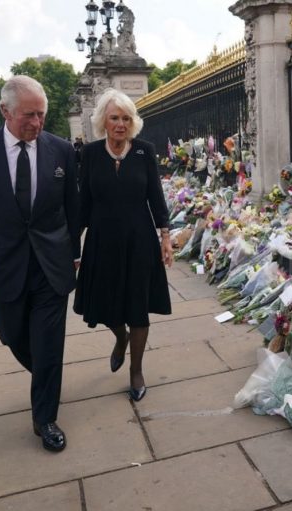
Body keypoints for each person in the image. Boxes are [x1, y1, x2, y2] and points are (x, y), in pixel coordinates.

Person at [0, 75, 81, 452]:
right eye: (29, 115)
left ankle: (45, 418)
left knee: (48, 344)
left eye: (41, 115)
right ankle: (45, 375)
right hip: (4, 263)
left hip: (52, 263)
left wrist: (74, 252)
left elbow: (73, 209)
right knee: (10, 332)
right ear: (4, 110)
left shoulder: (60, 150)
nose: (37, 123)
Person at [73, 88, 172, 402]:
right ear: (103, 120)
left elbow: (155, 196)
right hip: (102, 241)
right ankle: (120, 338)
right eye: (114, 117)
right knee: (106, 305)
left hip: (139, 240)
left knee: (138, 306)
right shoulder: (89, 153)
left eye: (126, 118)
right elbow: (83, 202)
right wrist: (72, 244)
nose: (120, 123)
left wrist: (165, 236)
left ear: (133, 122)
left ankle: (136, 370)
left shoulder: (144, 151)